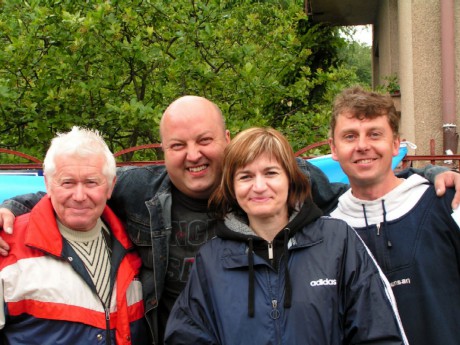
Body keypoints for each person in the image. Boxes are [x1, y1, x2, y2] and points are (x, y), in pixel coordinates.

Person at [0, 96, 457, 344]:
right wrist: (13, 210)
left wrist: (433, 176)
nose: (193, 155)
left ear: (227, 139)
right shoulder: (140, 193)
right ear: (163, 153)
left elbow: (365, 184)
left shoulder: (321, 225)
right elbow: (74, 190)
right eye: (178, 145)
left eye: (204, 141)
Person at [164, 127, 408, 344]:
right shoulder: (212, 260)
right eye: (246, 176)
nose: (259, 186)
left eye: (271, 173)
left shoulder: (338, 241)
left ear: (290, 179)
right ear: (232, 186)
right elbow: (187, 335)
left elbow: (378, 331)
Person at [328, 86, 460, 345]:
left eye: (374, 134)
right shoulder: (327, 230)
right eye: (350, 136)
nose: (363, 146)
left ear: (395, 143)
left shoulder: (449, 204)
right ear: (334, 147)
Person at [0, 127, 148, 344]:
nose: (79, 196)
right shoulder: (7, 247)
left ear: (110, 186)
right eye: (67, 182)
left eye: (91, 182)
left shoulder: (136, 240)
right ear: (48, 185)